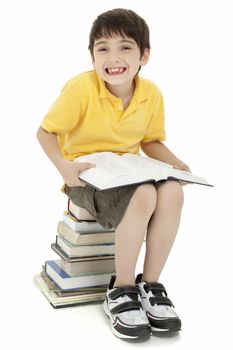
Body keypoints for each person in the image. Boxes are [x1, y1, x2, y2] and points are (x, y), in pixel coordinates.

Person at [37, 8, 191, 341]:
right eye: (103, 48)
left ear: (144, 55)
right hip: (87, 177)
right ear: (92, 56)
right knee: (146, 194)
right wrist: (65, 167)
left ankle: (149, 285)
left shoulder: (151, 94)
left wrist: (176, 163)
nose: (113, 57)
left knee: (174, 190)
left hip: (127, 172)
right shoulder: (81, 88)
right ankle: (120, 288)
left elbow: (149, 141)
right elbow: (45, 132)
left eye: (125, 47)